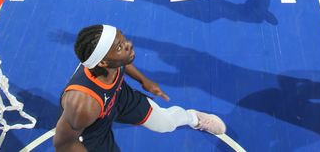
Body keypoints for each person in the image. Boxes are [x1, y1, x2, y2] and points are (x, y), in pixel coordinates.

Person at [54, 24, 226, 151]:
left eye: (123, 39)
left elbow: (121, 62)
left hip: (119, 96)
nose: (129, 45)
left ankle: (194, 118)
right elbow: (63, 143)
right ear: (103, 62)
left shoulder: (108, 61)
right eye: (120, 47)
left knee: (165, 123)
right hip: (95, 128)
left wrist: (144, 80)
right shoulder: (83, 105)